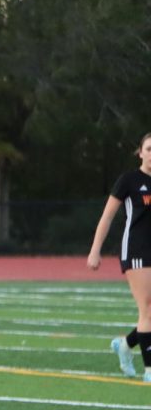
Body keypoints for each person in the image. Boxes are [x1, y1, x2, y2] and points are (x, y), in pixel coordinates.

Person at [88, 132, 151, 380]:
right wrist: (95, 250)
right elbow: (107, 217)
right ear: (140, 152)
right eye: (149, 149)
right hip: (136, 250)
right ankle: (149, 369)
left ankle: (125, 344)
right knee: (146, 309)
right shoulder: (129, 180)